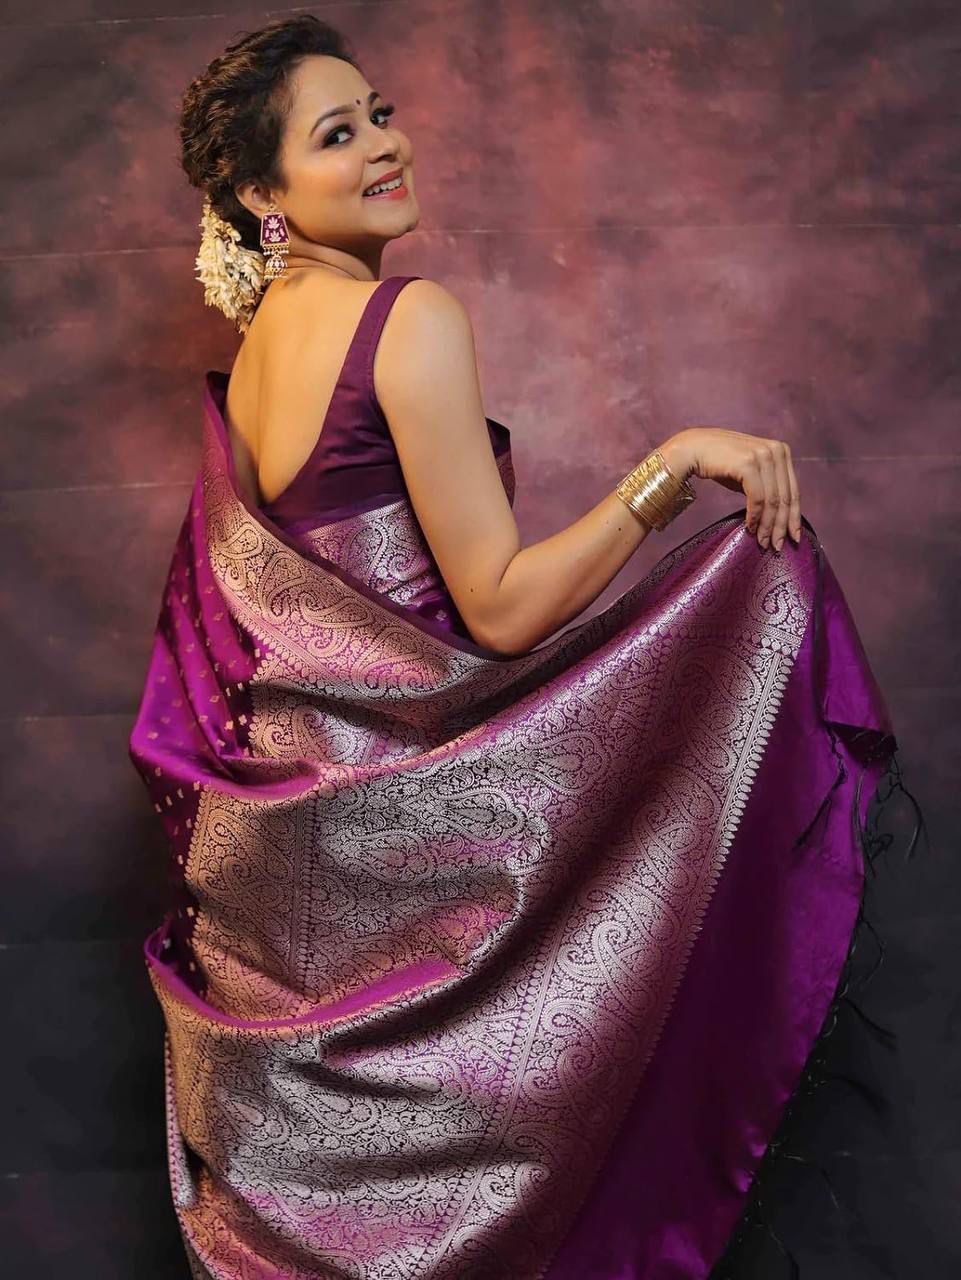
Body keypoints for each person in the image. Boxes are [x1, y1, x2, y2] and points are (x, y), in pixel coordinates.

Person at [129, 15, 918, 1279]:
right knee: (750, 622)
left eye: (380, 114)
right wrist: (671, 467)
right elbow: (496, 609)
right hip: (407, 836)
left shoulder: (261, 348)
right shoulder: (404, 318)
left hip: (289, 862)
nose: (384, 146)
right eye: (337, 135)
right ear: (265, 197)